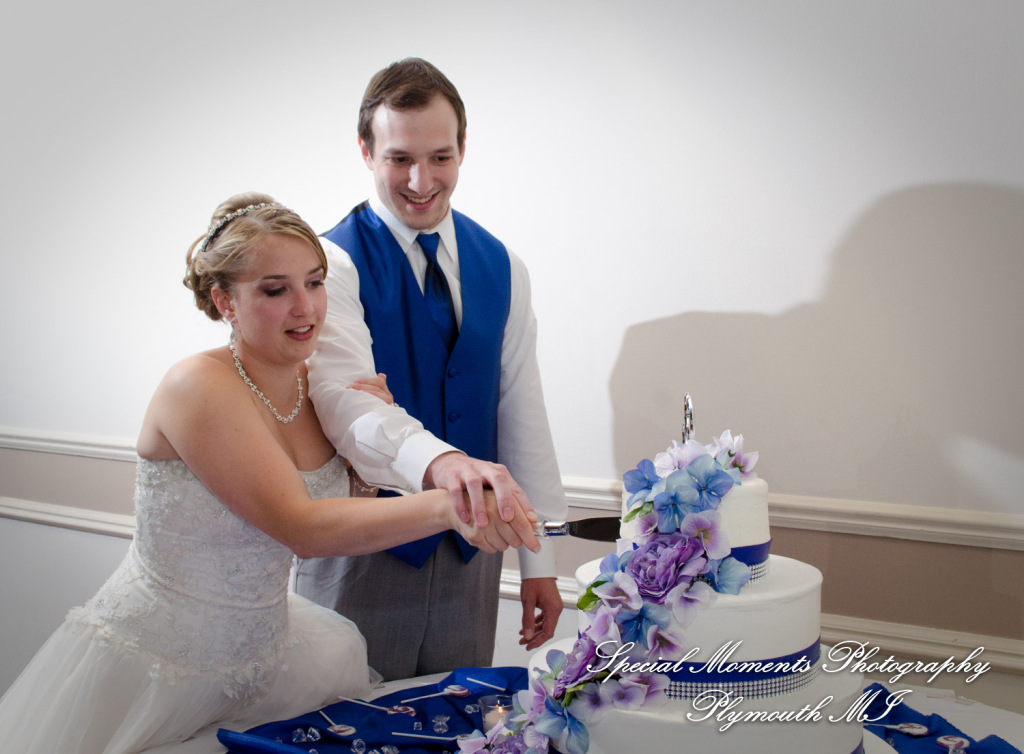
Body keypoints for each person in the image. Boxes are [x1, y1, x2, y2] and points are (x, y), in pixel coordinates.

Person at [0, 194, 538, 754]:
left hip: (270, 660)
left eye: (314, 282)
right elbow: (301, 527)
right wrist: (453, 503)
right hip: (159, 668)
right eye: (276, 290)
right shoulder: (196, 387)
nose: (305, 308)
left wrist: (361, 463)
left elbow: (344, 498)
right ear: (224, 300)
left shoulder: (317, 388)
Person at [293, 58, 568, 681]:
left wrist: (540, 563)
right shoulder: (327, 263)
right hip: (361, 548)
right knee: (339, 731)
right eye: (399, 159)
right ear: (365, 151)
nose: (421, 180)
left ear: (463, 149)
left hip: (474, 558)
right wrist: (442, 468)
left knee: (455, 730)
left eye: (440, 157)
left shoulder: (503, 265)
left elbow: (521, 410)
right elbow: (341, 401)